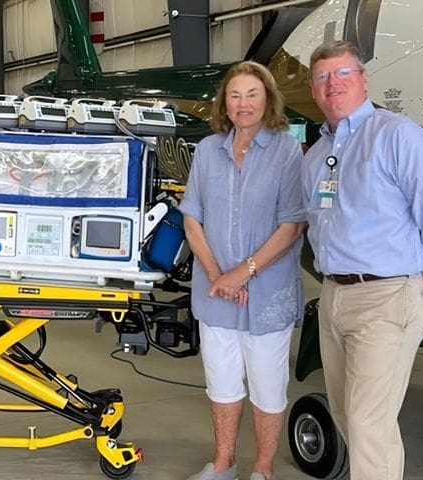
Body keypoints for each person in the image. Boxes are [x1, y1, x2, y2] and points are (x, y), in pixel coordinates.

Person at [301, 40, 423, 480]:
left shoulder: (398, 135)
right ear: (314, 89)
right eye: (322, 77)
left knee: (369, 422)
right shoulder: (316, 156)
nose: (333, 84)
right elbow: (315, 222)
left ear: (363, 79)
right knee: (347, 414)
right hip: (334, 295)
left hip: (387, 296)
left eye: (343, 73)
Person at [180, 61, 306, 480]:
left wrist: (243, 273)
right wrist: (220, 277)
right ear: (224, 104)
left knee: (268, 386)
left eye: (252, 94)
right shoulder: (207, 151)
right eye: (235, 95)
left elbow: (291, 225)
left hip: (266, 293)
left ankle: (264, 468)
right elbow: (192, 219)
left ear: (268, 98)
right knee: (221, 383)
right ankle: (224, 463)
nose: (243, 103)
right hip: (216, 293)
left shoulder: (287, 150)